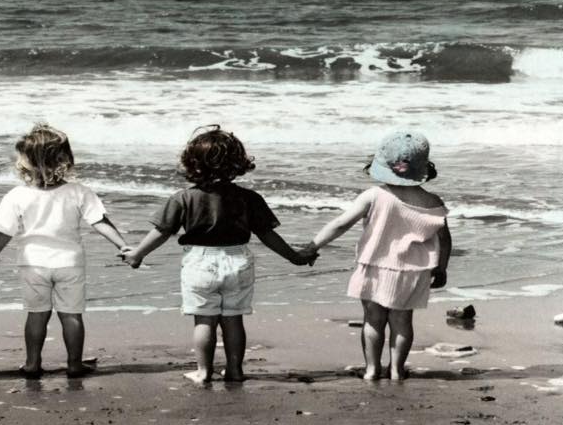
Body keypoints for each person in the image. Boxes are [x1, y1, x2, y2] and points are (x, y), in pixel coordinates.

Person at [121, 125, 316, 383]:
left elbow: (162, 232)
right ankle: (235, 371)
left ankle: (203, 372)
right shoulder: (249, 198)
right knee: (233, 319)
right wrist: (295, 256)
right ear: (238, 162)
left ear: (192, 163)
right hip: (238, 260)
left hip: (199, 262)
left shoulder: (183, 198)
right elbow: (267, 234)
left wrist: (137, 254)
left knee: (205, 319)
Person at [302, 131, 451, 381]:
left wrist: (312, 246)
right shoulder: (433, 201)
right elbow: (445, 239)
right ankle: (397, 370)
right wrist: (441, 267)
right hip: (413, 271)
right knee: (402, 322)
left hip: (375, 265)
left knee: (373, 320)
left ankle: (372, 369)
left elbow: (341, 224)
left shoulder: (374, 195)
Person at [0, 124, 127, 379]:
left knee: (36, 315)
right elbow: (100, 221)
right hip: (69, 263)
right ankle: (74, 364)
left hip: (33, 264)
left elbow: (4, 231)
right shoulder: (79, 191)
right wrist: (122, 245)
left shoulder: (17, 195)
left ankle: (32, 364)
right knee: (71, 315)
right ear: (64, 159)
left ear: (26, 162)